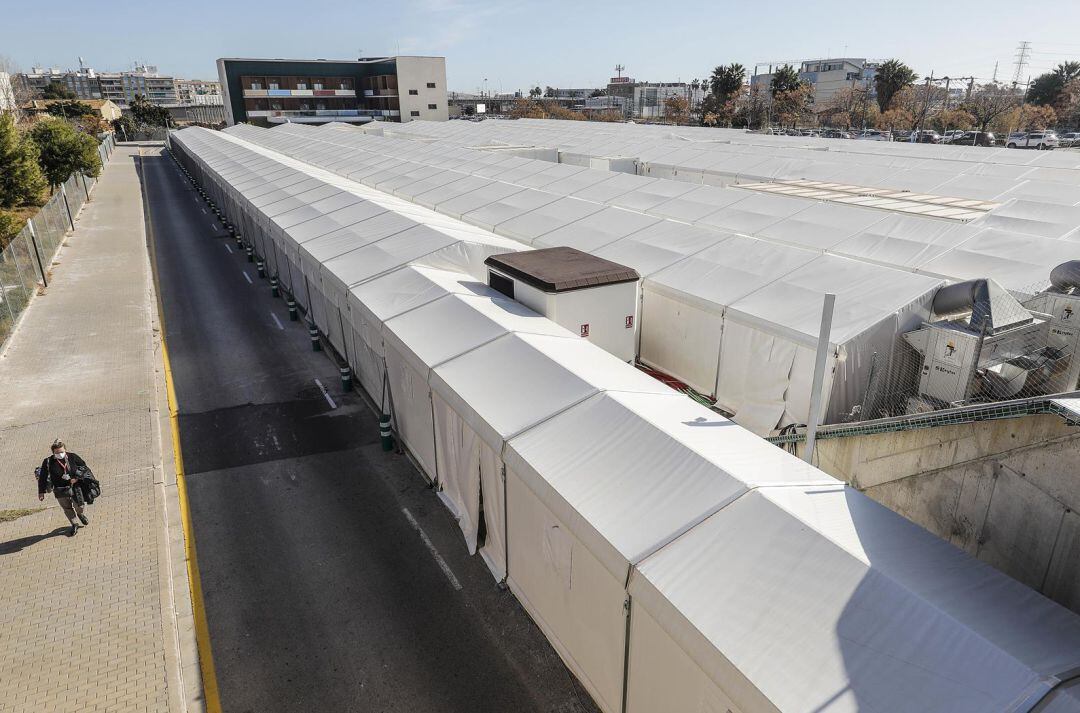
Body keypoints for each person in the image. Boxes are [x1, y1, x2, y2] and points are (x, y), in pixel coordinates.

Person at [37, 439, 91, 537]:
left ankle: (80, 514)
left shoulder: (72, 456)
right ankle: (74, 524)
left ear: (65, 450)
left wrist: (76, 478)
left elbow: (84, 467)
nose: (60, 454)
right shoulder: (48, 462)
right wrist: (41, 492)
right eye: (57, 453)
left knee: (80, 506)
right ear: (53, 452)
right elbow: (43, 477)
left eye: (62, 452)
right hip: (60, 489)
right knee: (67, 508)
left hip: (75, 487)